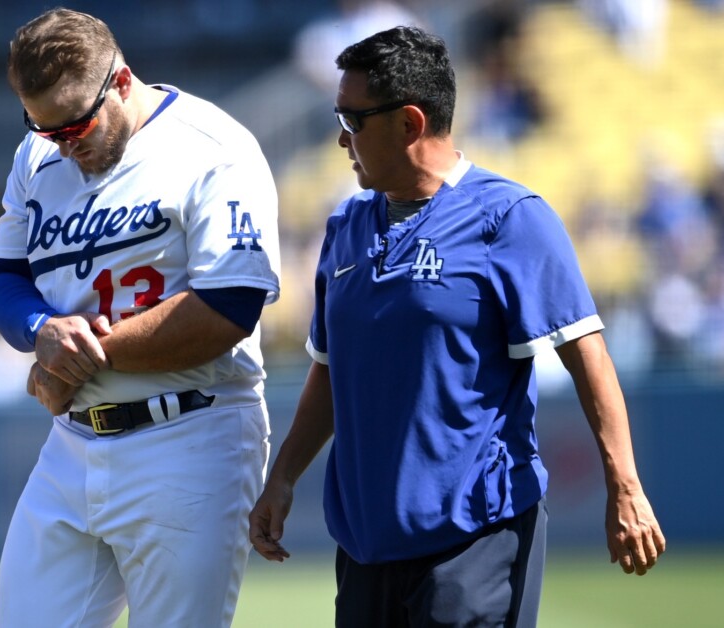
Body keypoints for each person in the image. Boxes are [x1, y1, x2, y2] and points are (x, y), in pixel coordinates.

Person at [249, 25, 665, 627]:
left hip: (476, 534)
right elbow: (330, 370)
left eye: (352, 120)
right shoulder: (345, 227)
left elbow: (588, 356)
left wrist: (625, 487)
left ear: (410, 123)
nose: (341, 139)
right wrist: (282, 477)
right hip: (365, 543)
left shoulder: (510, 218)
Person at [0, 8, 280, 627]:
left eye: (77, 124)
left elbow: (229, 306)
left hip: (190, 433)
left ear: (120, 81)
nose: (66, 142)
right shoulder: (37, 156)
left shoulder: (212, 147)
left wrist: (81, 357)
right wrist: (42, 332)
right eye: (45, 128)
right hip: (73, 440)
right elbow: (6, 278)